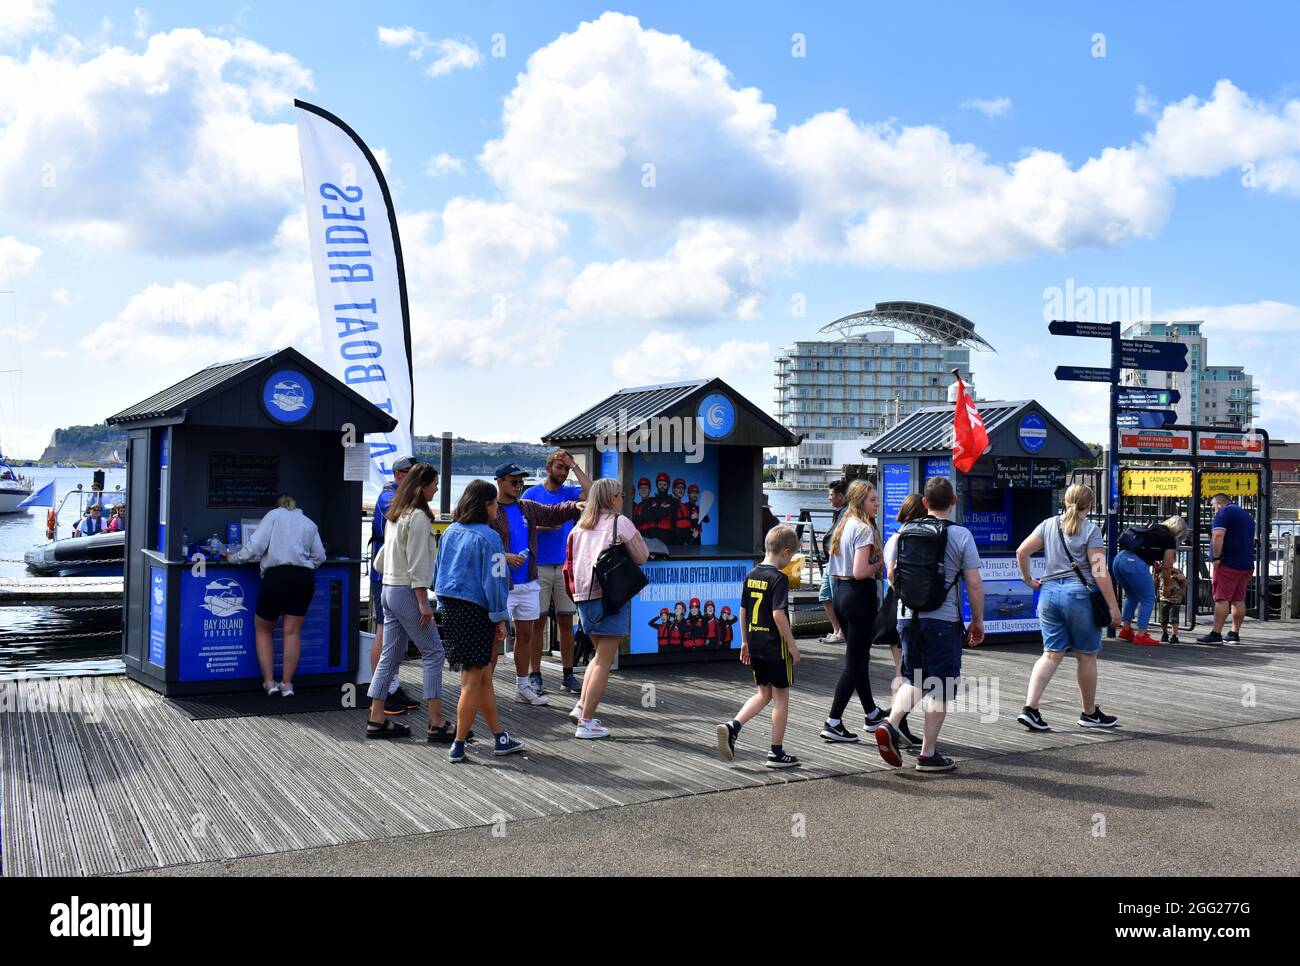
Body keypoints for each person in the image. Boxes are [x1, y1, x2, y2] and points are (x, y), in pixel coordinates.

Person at [874, 476, 984, 773]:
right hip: (942, 620)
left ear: (924, 503)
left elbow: (892, 576)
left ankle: (890, 722)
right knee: (941, 684)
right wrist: (977, 620)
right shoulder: (961, 535)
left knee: (914, 678)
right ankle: (928, 754)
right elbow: (973, 583)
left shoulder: (903, 533)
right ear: (954, 501)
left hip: (907, 618)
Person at [1013, 483, 1123, 732]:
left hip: (1049, 594)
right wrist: (1113, 606)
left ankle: (1030, 708)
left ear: (1065, 501)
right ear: (1091, 505)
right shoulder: (1091, 530)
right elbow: (1098, 571)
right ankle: (1089, 713)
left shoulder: (1048, 524)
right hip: (1079, 596)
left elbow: (1022, 551)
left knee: (1051, 654)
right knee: (1086, 655)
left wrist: (1028, 580)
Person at [434, 480, 521, 763]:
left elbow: (438, 573)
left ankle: (499, 736)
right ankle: (458, 742)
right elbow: (495, 582)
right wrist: (500, 618)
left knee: (482, 677)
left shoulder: (450, 532)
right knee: (472, 681)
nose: (497, 507)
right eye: (495, 503)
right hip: (477, 611)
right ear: (486, 505)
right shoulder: (490, 537)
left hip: (450, 607)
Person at [364, 463, 452, 741]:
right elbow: (417, 564)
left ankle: (377, 718)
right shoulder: (417, 518)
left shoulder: (395, 515)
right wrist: (423, 602)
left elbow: (380, 560)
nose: (436, 488)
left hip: (389, 588)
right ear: (421, 486)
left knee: (390, 655)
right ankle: (436, 722)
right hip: (406, 592)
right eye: (433, 483)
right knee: (434, 652)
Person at [490, 462, 582, 707]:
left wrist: (574, 506)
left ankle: (523, 687)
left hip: (528, 581)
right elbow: (478, 543)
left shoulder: (527, 507)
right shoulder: (489, 510)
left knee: (526, 634)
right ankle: (484, 688)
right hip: (503, 584)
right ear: (499, 481)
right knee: (495, 638)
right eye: (513, 481)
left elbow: (552, 512)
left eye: (521, 482)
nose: (518, 486)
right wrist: (503, 555)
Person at [565, 477, 649, 739]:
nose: (623, 499)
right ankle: (586, 722)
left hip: (582, 597)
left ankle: (581, 706)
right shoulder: (619, 522)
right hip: (610, 596)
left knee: (596, 657)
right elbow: (642, 555)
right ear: (612, 498)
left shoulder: (578, 528)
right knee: (604, 661)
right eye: (621, 494)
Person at [716, 524, 802, 768]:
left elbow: (742, 611)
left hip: (755, 643)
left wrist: (744, 641)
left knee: (763, 693)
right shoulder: (778, 578)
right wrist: (792, 646)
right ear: (785, 552)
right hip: (776, 646)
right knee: (781, 698)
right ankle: (776, 752)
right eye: (792, 556)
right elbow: (778, 614)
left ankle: (733, 726)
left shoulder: (752, 574)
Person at [227, 494, 326, 697]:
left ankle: (269, 682)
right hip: (304, 579)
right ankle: (287, 684)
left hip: (277, 577)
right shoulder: (309, 522)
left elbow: (254, 547)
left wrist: (234, 557)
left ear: (277, 505)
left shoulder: (273, 516)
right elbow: (320, 556)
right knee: (292, 632)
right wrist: (303, 566)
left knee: (263, 629)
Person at [818, 480, 885, 743]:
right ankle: (833, 720)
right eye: (872, 500)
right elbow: (860, 571)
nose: (877, 504)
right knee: (855, 663)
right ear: (860, 502)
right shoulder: (864, 529)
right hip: (859, 596)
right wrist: (879, 561)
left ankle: (871, 713)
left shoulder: (843, 524)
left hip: (841, 595)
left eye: (877, 499)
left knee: (861, 659)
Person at [522, 449, 592, 695]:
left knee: (566, 621)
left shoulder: (570, 492)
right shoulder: (532, 493)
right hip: (539, 564)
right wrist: (544, 525)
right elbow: (524, 525)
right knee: (537, 622)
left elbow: (592, 493)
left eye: (565, 469)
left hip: (564, 565)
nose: (562, 473)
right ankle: (535, 674)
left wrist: (575, 466)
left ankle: (568, 675)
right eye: (559, 467)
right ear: (549, 466)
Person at [368, 456, 420, 716]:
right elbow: (400, 516)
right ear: (400, 475)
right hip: (385, 575)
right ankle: (383, 690)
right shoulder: (389, 495)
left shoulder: (400, 494)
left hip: (400, 573)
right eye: (413, 474)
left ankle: (393, 685)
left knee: (396, 636)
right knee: (384, 632)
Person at [877, 493, 927, 749]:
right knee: (907, 670)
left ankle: (897, 721)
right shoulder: (908, 539)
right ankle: (897, 722)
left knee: (902, 667)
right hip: (904, 604)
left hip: (893, 603)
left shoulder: (894, 537)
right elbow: (892, 574)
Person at [1111, 516, 1186, 646]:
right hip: (1134, 563)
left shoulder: (1153, 527)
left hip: (1119, 560)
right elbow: (1168, 566)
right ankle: (1141, 634)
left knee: (1132, 596)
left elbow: (1145, 548)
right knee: (1148, 598)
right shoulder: (1169, 539)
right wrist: (1167, 585)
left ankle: (1126, 630)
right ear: (1179, 532)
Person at [1198, 494, 1256, 645]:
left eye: (1213, 507)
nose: (1214, 510)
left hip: (1228, 563)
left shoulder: (1223, 514)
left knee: (1221, 598)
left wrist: (1216, 557)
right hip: (1246, 563)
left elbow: (1218, 535)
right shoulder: (1246, 515)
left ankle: (1216, 633)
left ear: (1219, 504)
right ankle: (1234, 633)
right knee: (1238, 598)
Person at [818, 480, 849, 645]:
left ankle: (842, 632)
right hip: (830, 561)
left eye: (831, 494)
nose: (828, 497)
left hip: (836, 561)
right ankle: (837, 630)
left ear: (841, 496)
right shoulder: (839, 512)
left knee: (835, 597)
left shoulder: (846, 513)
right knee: (825, 595)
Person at [1158, 567, 1187, 644]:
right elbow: (1156, 582)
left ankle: (1174, 635)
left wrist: (1176, 576)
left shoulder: (1176, 572)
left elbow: (1184, 580)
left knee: (1174, 618)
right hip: (1163, 598)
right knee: (1163, 618)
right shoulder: (1160, 571)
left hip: (1175, 599)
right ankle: (1165, 633)